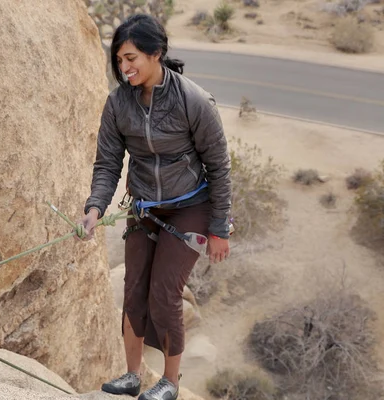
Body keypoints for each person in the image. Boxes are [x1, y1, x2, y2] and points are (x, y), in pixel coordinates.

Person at [78, 13, 232, 400]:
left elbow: (219, 166)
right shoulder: (118, 104)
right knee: (134, 290)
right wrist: (95, 208)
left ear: (156, 54)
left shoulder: (192, 100)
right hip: (144, 207)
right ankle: (132, 376)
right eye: (118, 60)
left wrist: (219, 228)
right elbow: (108, 163)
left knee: (165, 293)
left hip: (189, 207)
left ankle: (170, 383)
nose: (124, 67)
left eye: (131, 58)